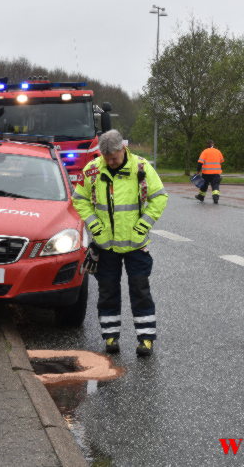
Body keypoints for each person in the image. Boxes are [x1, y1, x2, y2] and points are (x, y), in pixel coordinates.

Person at [72, 130, 168, 357]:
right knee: (107, 292)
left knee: (140, 290)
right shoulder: (93, 170)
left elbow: (160, 197)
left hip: (136, 245)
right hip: (105, 247)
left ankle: (145, 339)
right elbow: (80, 199)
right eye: (106, 158)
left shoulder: (141, 168)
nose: (110, 162)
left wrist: (143, 226)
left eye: (113, 157)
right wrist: (94, 226)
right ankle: (110, 337)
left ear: (123, 149)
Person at [195, 139, 224, 204]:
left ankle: (201, 196)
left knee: (204, 185)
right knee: (215, 185)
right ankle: (215, 197)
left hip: (206, 173)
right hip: (216, 173)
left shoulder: (204, 152)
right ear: (213, 144)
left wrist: (198, 171)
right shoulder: (218, 151)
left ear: (207, 145)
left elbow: (200, 163)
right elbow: (222, 160)